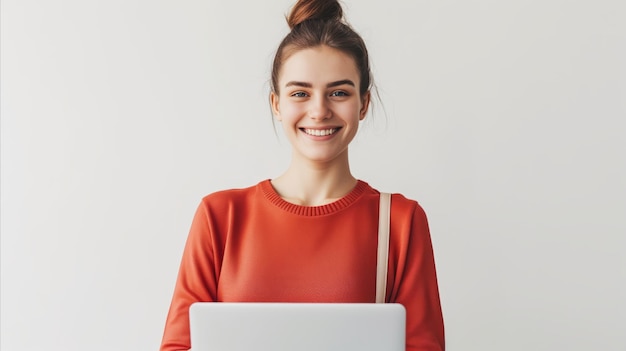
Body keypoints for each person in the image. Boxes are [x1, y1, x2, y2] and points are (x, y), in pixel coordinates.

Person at [160, 0, 445, 350]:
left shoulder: (400, 222)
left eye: (339, 92)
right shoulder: (221, 217)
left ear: (364, 104)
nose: (319, 110)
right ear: (277, 104)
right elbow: (178, 345)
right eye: (300, 93)